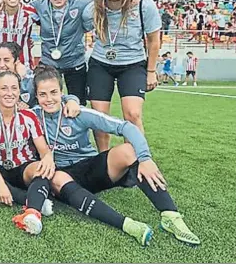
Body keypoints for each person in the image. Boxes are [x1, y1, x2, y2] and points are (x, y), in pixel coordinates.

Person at [32, 65, 200, 245]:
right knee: (55, 177)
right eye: (43, 94)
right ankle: (128, 224)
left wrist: (145, 158)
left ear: (61, 92)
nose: (49, 99)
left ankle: (170, 215)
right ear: (36, 96)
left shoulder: (78, 112)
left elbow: (125, 127)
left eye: (53, 92)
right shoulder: (31, 117)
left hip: (90, 167)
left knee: (128, 151)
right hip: (63, 176)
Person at [82, 0, 161, 152]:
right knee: (99, 117)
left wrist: (151, 71)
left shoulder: (144, 5)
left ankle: (137, 160)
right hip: (101, 64)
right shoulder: (92, 10)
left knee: (132, 114)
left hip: (133, 65)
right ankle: (104, 161)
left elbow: (154, 41)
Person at [0, 70, 55, 235]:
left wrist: (48, 158)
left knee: (42, 168)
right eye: (4, 88)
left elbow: (43, 149)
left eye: (14, 88)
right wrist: (0, 184)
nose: (9, 93)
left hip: (23, 167)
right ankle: (36, 201)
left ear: (19, 91)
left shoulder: (29, 115)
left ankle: (32, 213)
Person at [0, 42, 33, 107]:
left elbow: (40, 105)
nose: (1, 65)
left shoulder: (30, 80)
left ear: (16, 61)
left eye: (6, 60)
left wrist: (28, 110)